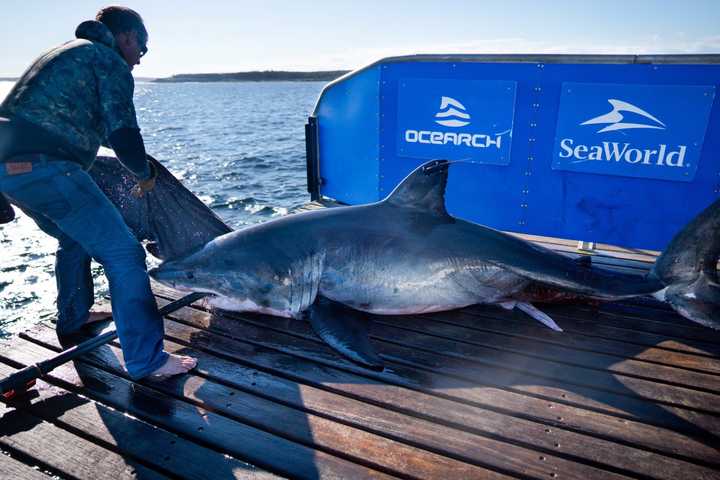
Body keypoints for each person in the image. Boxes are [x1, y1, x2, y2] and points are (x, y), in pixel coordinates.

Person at [0, 6, 196, 379]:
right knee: (124, 254)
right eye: (143, 45)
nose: (142, 56)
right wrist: (144, 174)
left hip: (7, 169)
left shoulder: (64, 52)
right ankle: (147, 360)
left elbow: (89, 126)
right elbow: (123, 135)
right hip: (47, 165)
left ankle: (73, 319)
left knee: (74, 238)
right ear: (125, 36)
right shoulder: (109, 62)